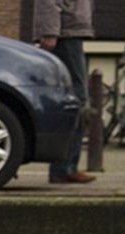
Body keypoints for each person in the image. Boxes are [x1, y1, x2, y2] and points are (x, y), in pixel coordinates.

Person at [34, 0, 96, 185]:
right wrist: (50, 30)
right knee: (77, 99)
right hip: (66, 35)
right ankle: (64, 168)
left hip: (70, 32)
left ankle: (65, 167)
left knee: (71, 98)